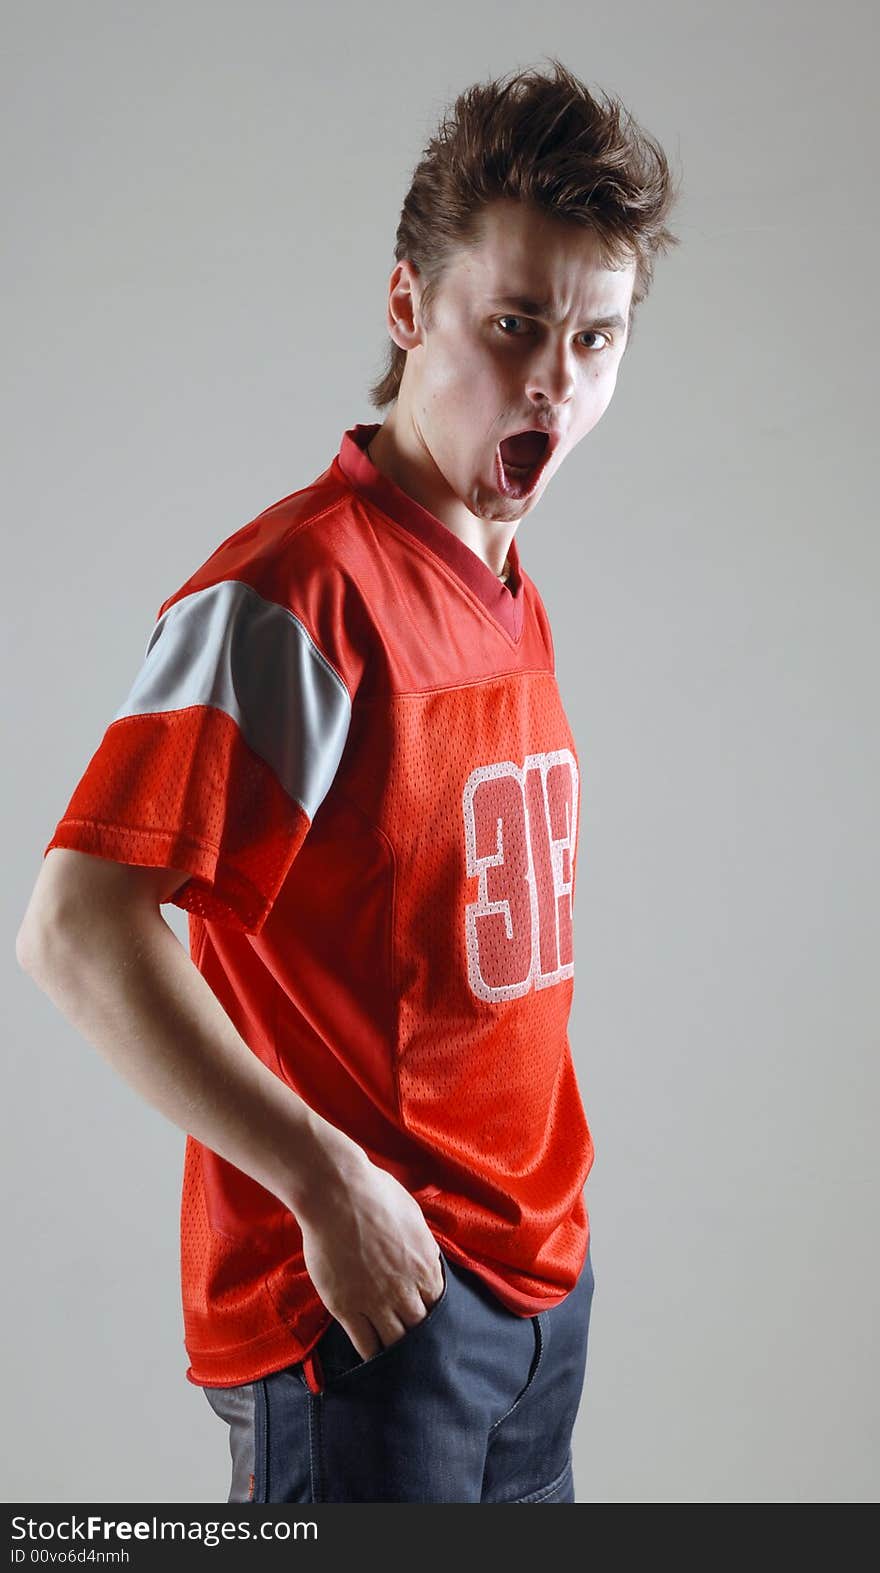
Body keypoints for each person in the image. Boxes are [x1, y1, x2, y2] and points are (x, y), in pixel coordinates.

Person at [16, 58, 679, 1504]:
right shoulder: (298, 591)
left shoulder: (503, 580)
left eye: (597, 338)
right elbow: (78, 927)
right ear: (405, 310)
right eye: (514, 327)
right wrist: (328, 1187)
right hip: (372, 1321)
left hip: (534, 1291)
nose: (555, 382)